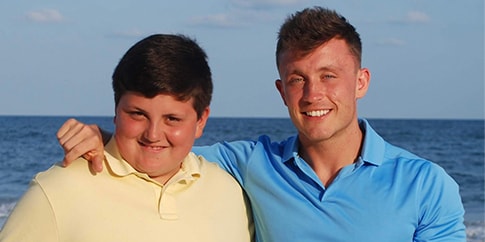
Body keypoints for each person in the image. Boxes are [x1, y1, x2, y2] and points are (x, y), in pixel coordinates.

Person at [54, 6, 466, 242]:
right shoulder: (250, 164)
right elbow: (162, 147)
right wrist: (105, 136)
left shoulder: (426, 185)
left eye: (328, 76)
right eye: (297, 79)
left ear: (361, 82)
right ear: (281, 89)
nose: (312, 94)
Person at [0, 34, 253, 242]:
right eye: (137, 114)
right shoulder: (56, 191)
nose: (153, 135)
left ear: (201, 121)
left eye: (172, 119)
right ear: (115, 111)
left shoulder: (230, 193)